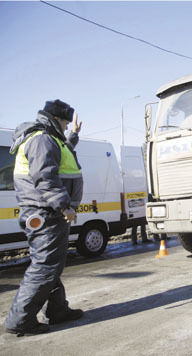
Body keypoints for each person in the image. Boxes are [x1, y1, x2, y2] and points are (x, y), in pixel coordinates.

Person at [4, 100, 84, 336]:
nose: (67, 126)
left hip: (45, 212)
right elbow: (45, 177)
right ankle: (20, 320)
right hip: (46, 212)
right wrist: (64, 206)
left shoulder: (47, 137)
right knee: (45, 266)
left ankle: (58, 310)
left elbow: (59, 158)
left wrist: (74, 137)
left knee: (52, 264)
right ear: (55, 119)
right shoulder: (42, 139)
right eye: (65, 122)